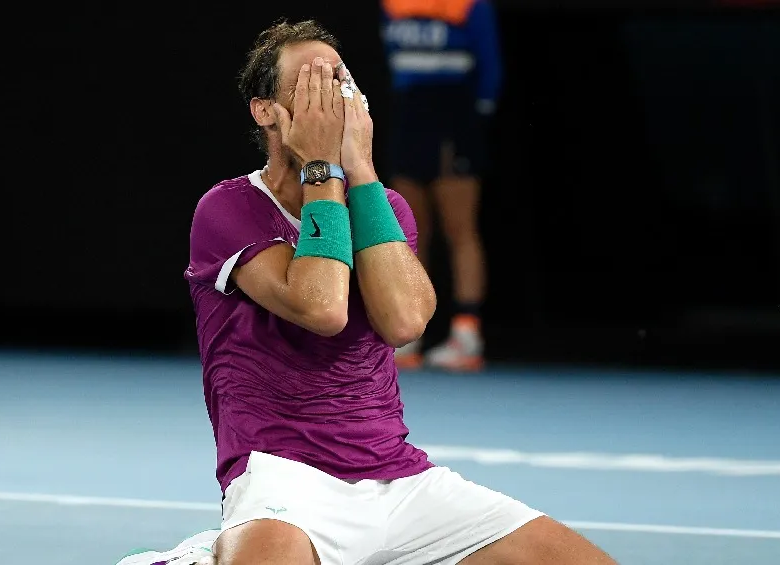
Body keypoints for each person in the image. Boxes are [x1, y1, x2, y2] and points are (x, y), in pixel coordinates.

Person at [183, 18, 616, 565]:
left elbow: (406, 322)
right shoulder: (227, 209)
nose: (331, 99)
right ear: (265, 110)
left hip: (401, 479)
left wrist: (358, 168)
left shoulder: (386, 205)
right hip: (284, 482)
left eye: (339, 81)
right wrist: (323, 166)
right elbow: (321, 307)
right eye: (310, 86)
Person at [380, 0, 503, 371]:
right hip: (410, 116)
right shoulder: (391, 4)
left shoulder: (472, 5)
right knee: (409, 233)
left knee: (460, 229)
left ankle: (467, 335)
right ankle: (409, 334)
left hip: (454, 116)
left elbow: (491, 68)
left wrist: (472, 121)